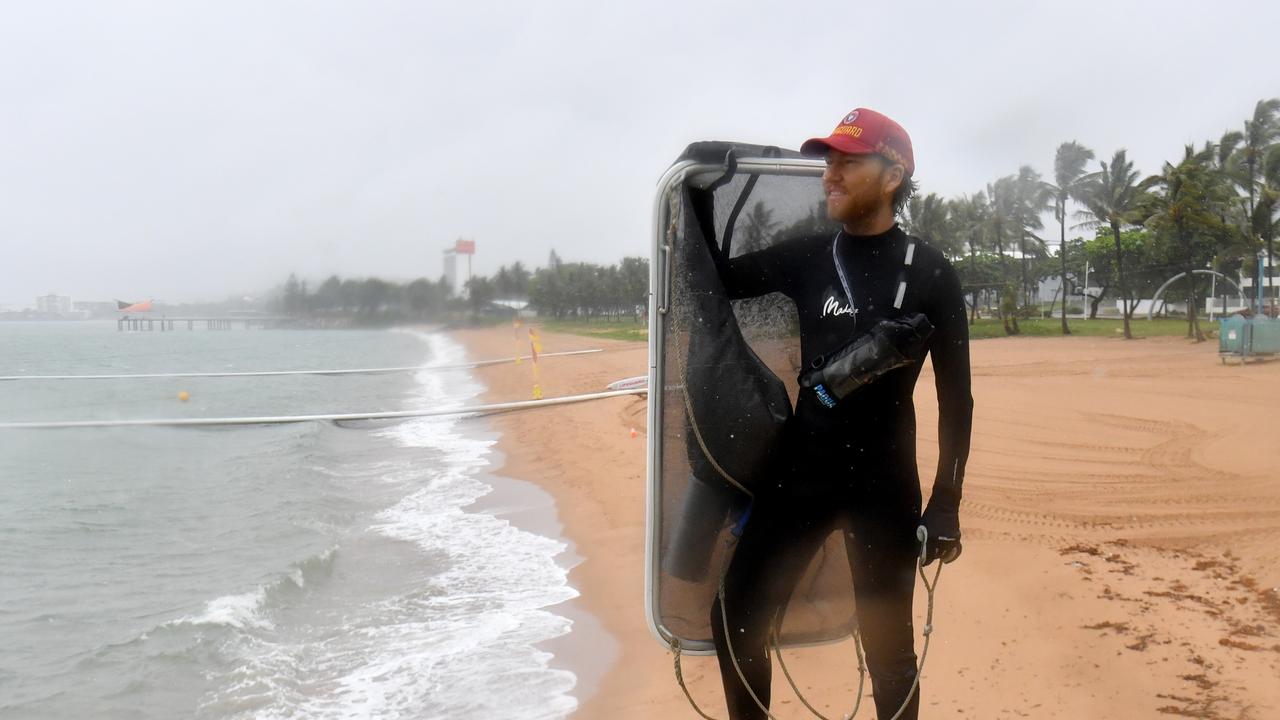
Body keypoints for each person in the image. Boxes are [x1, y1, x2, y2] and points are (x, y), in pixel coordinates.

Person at [708, 108, 973, 720]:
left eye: (847, 161)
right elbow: (717, 279)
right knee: (735, 620)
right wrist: (701, 193)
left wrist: (947, 503)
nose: (830, 173)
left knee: (890, 656)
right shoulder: (808, 257)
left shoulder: (931, 272)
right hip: (802, 475)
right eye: (828, 161)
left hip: (884, 486)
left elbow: (956, 401)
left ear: (892, 174)